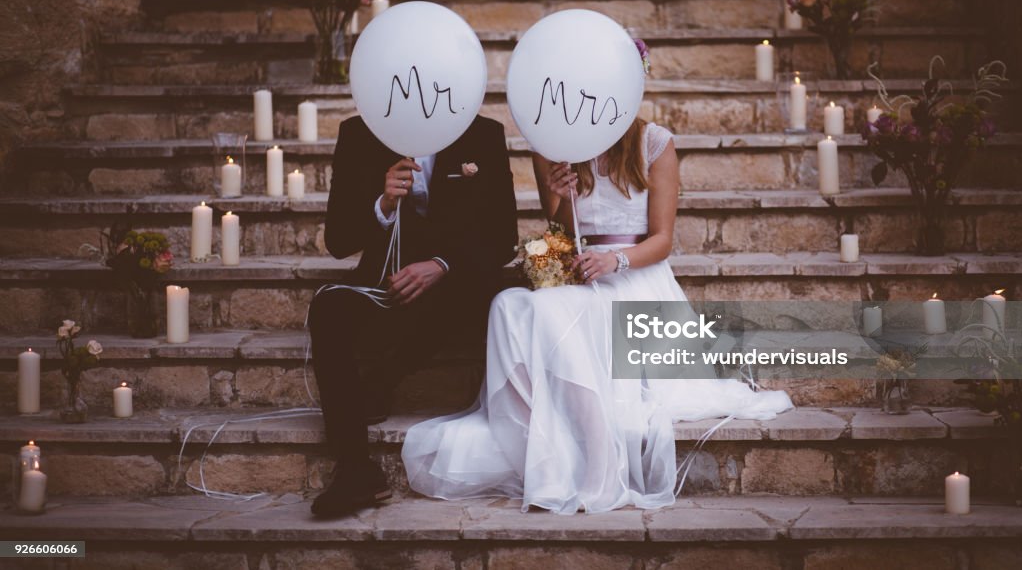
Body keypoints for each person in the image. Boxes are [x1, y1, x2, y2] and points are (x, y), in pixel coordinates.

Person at [402, 106, 793, 514]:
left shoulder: (653, 142)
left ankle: (600, 459)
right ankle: (538, 444)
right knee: (506, 306)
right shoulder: (551, 148)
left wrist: (616, 261)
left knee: (553, 313)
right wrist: (559, 194)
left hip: (636, 278)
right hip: (581, 275)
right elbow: (563, 235)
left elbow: (662, 240)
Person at [307, 114, 518, 518]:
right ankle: (355, 469)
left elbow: (503, 236)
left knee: (499, 293)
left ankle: (382, 380)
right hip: (386, 283)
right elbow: (338, 240)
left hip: (459, 285)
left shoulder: (482, 133)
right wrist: (382, 203)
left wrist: (442, 264)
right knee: (328, 307)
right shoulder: (359, 132)